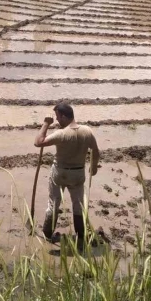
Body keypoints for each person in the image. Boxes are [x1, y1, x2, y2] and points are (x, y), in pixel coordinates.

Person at [33, 102, 100, 251]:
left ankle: (47, 234)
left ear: (63, 116)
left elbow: (38, 142)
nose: (56, 121)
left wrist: (45, 124)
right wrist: (93, 167)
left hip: (60, 172)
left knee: (54, 203)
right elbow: (96, 150)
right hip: (78, 172)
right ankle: (81, 237)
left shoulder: (62, 134)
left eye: (57, 117)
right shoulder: (87, 131)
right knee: (78, 205)